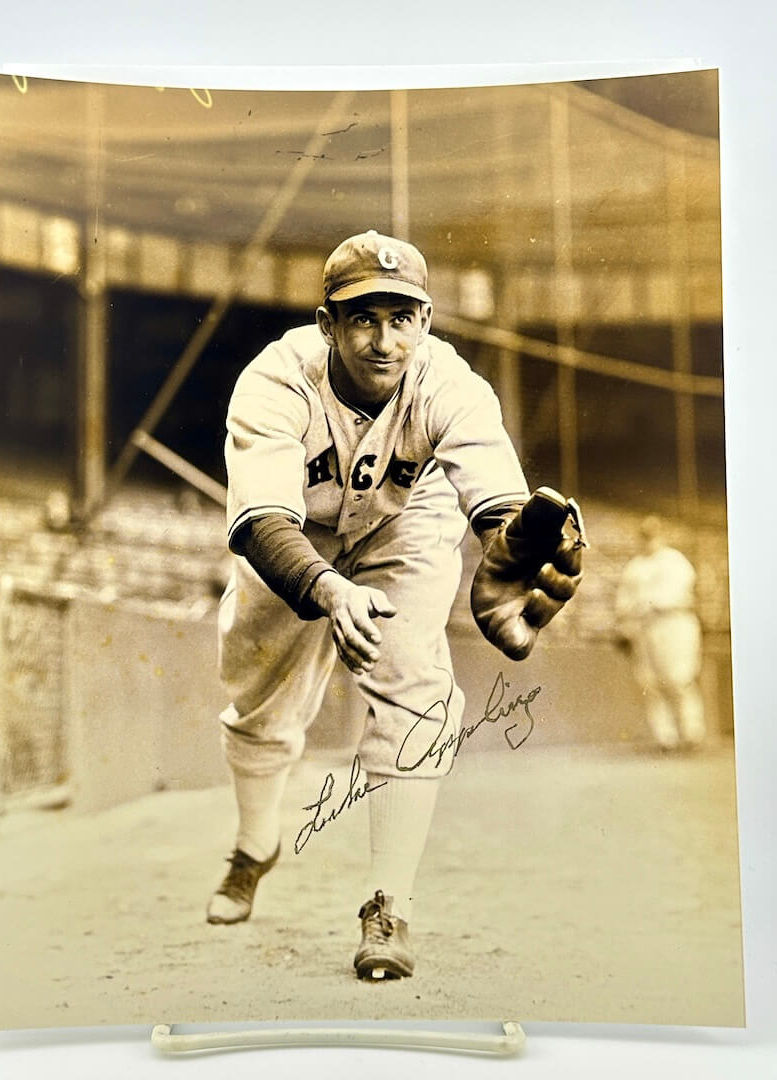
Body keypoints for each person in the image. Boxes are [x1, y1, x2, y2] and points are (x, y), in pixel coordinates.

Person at [205, 229, 579, 980]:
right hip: (296, 536)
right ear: (328, 325)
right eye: (364, 317)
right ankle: (253, 845)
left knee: (415, 688)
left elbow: (498, 503)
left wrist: (512, 543)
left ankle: (390, 906)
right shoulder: (276, 380)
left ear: (427, 321)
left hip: (407, 524)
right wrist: (325, 587)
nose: (384, 338)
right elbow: (259, 522)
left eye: (402, 317)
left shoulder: (452, 384)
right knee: (258, 699)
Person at [615, 515, 705, 751]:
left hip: (674, 622)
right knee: (650, 683)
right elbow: (623, 602)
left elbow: (673, 595)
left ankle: (692, 733)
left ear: (661, 535)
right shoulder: (634, 567)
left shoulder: (675, 561)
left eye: (652, 535)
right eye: (644, 535)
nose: (648, 539)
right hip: (645, 627)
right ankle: (666, 738)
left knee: (679, 679)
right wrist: (627, 621)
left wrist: (644, 604)